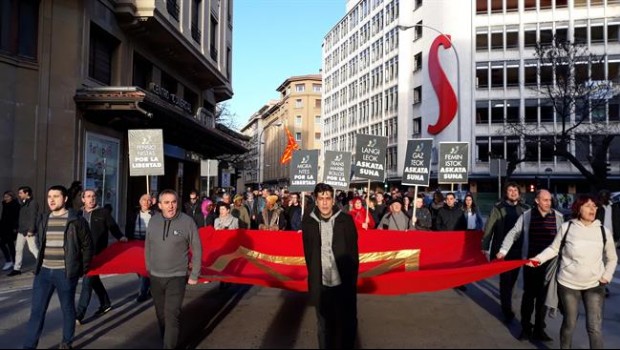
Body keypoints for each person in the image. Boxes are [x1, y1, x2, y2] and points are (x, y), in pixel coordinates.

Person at [527, 194, 617, 349]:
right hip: (568, 284)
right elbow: (553, 249)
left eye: (594, 206)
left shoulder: (603, 231)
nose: (592, 209)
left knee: (594, 327)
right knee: (570, 323)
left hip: (595, 284)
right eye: (588, 206)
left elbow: (612, 258)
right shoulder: (567, 228)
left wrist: (607, 275)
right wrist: (538, 259)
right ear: (578, 208)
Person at [23, 185, 93, 349]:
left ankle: (66, 342)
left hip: (65, 273)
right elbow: (40, 242)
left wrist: (81, 268)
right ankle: (29, 346)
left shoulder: (77, 220)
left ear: (65, 198)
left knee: (67, 309)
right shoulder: (44, 219)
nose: (52, 200)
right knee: (37, 312)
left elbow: (88, 246)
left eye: (56, 196)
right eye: (49, 197)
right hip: (43, 273)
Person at [497, 189, 564, 342]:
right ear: (537, 201)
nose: (549, 203)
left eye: (550, 200)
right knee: (528, 298)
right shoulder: (526, 216)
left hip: (549, 266)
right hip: (530, 264)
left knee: (543, 299)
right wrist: (503, 250)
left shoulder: (558, 217)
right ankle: (526, 329)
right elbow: (514, 232)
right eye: (545, 200)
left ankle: (540, 329)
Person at [302, 183, 359, 349]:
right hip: (321, 284)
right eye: (321, 199)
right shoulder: (308, 222)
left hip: (343, 284)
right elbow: (308, 254)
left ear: (333, 200)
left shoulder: (346, 220)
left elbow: (353, 255)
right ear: (316, 200)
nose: (325, 202)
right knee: (324, 327)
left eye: (328, 198)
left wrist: (351, 283)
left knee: (346, 325)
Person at [146, 189, 202, 349]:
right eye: (166, 202)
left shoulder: (187, 222)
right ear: (159, 205)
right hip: (156, 276)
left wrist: (194, 274)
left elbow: (197, 249)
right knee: (161, 315)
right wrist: (149, 268)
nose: (171, 206)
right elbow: (148, 246)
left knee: (172, 315)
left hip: (177, 276)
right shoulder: (153, 221)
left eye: (174, 202)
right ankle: (168, 339)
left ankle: (169, 345)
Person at [76, 189, 127, 325]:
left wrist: (120, 237)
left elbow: (113, 227)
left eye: (93, 196)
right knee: (94, 280)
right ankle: (105, 303)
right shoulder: (78, 214)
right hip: (81, 254)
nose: (91, 199)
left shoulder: (103, 212)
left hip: (97, 253)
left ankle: (78, 315)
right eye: (88, 196)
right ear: (83, 199)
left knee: (87, 282)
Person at [482, 182, 530, 323]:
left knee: (513, 279)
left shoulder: (525, 209)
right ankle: (506, 310)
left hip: (519, 250)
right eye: (510, 190)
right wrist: (485, 246)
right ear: (506, 193)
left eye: (515, 190)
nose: (513, 192)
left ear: (519, 193)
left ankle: (506, 297)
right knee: (505, 280)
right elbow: (489, 227)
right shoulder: (498, 208)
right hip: (503, 251)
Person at [125, 193, 156, 302]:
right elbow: (128, 226)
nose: (146, 202)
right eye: (144, 200)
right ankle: (150, 287)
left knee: (145, 268)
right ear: (140, 202)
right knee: (138, 268)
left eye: (148, 200)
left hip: (149, 244)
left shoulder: (155, 214)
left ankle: (142, 292)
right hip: (136, 243)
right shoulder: (134, 214)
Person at [9, 186, 40, 276]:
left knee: (33, 249)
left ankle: (42, 266)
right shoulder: (23, 203)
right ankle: (16, 268)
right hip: (21, 230)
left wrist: (31, 229)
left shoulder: (33, 203)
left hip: (29, 231)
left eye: (21, 193)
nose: (19, 195)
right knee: (18, 249)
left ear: (27, 193)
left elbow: (33, 217)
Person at [1, 191, 20, 271]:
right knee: (5, 244)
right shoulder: (5, 204)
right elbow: (3, 217)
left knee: (10, 245)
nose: (5, 198)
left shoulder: (15, 205)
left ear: (11, 197)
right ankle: (10, 261)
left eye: (7, 196)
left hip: (11, 229)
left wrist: (15, 228)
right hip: (4, 228)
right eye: (4, 196)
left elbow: (17, 217)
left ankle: (13, 262)